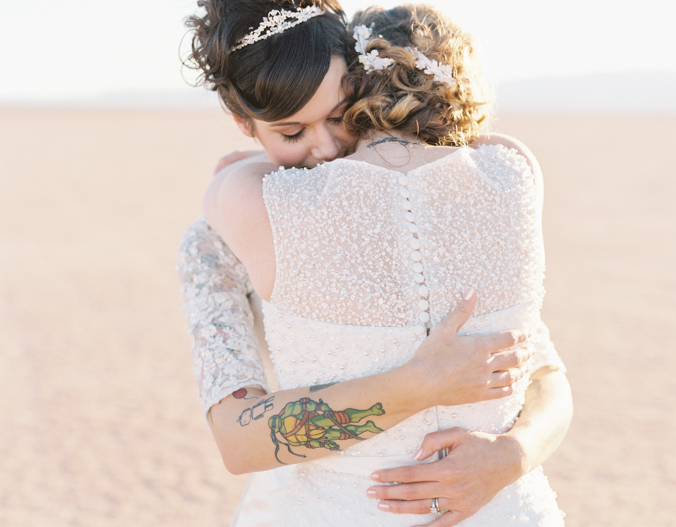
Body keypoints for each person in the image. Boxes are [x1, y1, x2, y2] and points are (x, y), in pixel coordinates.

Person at [179, 1, 572, 525]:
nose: (323, 147)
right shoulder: (508, 171)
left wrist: (515, 453)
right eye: (291, 133)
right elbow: (237, 439)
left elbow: (542, 369)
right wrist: (418, 385)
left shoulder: (243, 200)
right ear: (243, 123)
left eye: (341, 118)